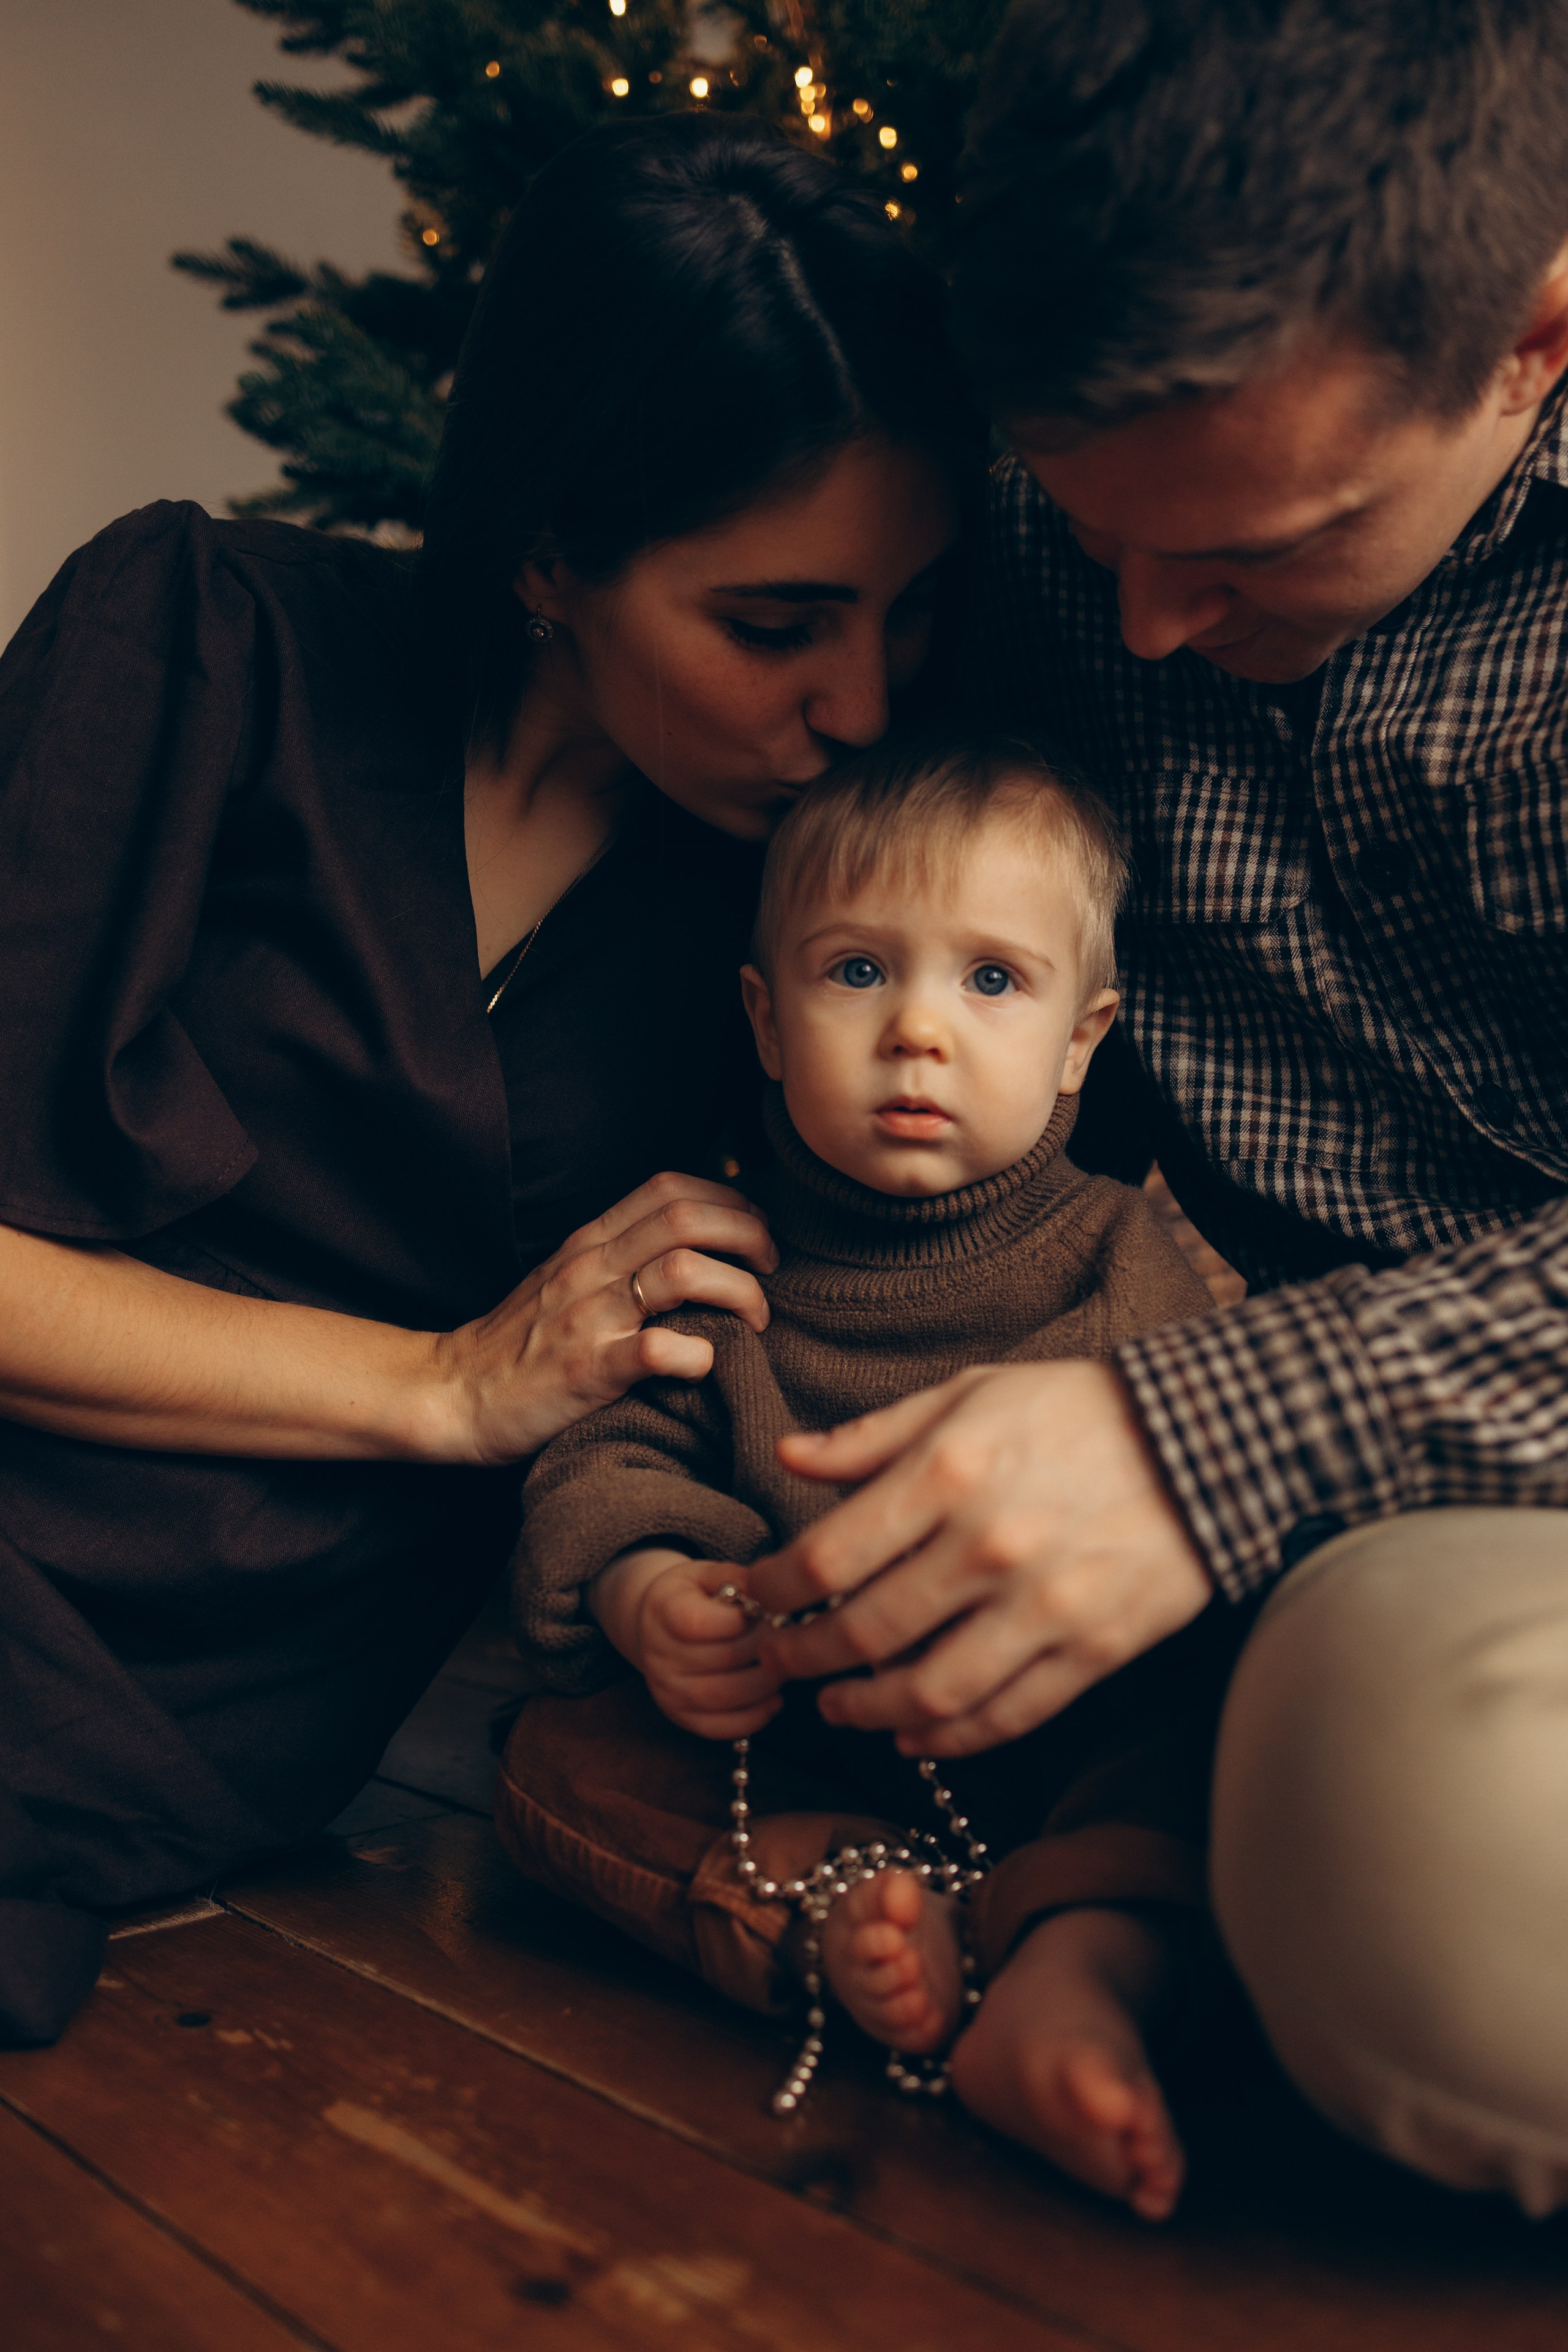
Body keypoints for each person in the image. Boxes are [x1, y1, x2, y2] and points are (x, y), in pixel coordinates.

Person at [0, 114, 976, 2048]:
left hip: (230, 1704)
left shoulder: (809, 922)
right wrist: (448, 1385)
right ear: (548, 554)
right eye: (775, 625)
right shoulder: (203, 639)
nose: (860, 707)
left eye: (908, 612)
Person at [725, 0, 1568, 2212]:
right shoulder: (1063, 511)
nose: (1149, 622)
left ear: (1536, 337)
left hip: (1473, 1498)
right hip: (1146, 1484)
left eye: (1267, 545)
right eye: (1090, 529)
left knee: (1466, 1878)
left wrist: (1220, 1438)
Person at [498, 737, 1230, 2221]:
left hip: (1068, 1729)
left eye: (991, 983)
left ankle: (1079, 1962)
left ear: (1083, 1041)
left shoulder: (1115, 1254)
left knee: (1207, 1737)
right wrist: (650, 1594)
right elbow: (613, 1451)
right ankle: (855, 1914)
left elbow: (1210, 1485)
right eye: (855, 975)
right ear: (764, 1023)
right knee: (551, 1761)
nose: (916, 1033)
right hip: (811, 1748)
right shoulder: (722, 1258)